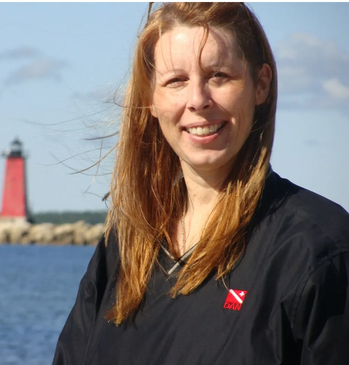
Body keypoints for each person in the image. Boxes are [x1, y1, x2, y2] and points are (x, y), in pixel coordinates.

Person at [53, 2, 349, 364]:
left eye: (219, 76)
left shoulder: (317, 247)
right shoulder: (125, 247)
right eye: (176, 81)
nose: (198, 100)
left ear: (260, 85)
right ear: (152, 101)